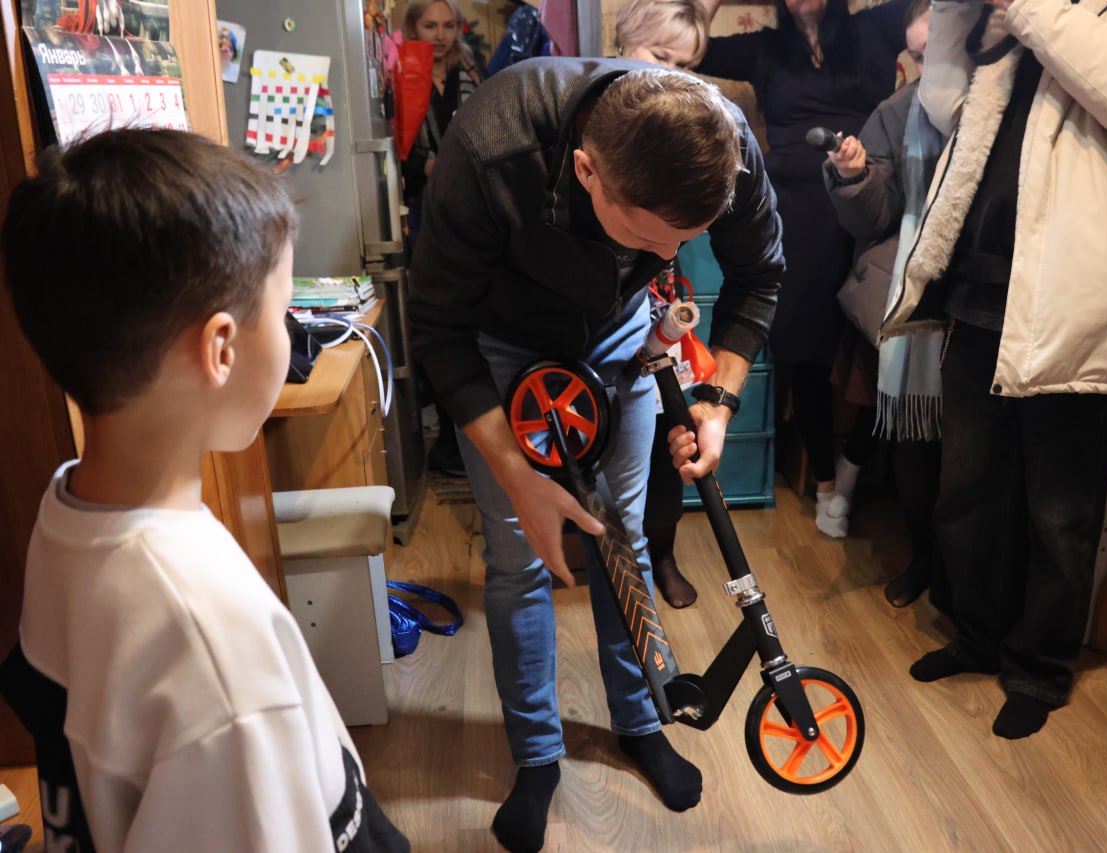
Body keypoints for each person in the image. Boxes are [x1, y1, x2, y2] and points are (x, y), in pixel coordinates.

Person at [408, 60, 782, 852]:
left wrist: (719, 402)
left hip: (620, 333)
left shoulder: (724, 144)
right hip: (500, 343)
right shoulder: (490, 150)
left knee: (624, 537)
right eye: (651, 237)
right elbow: (437, 327)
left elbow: (760, 277)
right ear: (586, 171)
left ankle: (642, 720)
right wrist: (517, 473)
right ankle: (536, 754)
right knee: (519, 556)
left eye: (687, 238)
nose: (671, 252)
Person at [0, 129, 408, 851]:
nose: (293, 337)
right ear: (220, 348)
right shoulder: (217, 652)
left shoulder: (68, 516)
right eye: (284, 314)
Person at [883, 0, 1107, 739]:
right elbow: (947, 107)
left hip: (1078, 297)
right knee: (967, 486)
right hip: (981, 280)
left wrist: (1028, 7)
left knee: (1061, 505)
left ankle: (1039, 668)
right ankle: (976, 635)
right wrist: (956, 15)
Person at [696, 0, 912, 537]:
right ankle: (825, 481)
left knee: (888, 345)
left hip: (869, 203)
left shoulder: (874, 28)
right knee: (804, 348)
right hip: (794, 208)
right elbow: (689, 44)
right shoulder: (767, 48)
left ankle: (853, 463)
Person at [823, 0, 941, 607]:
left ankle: (962, 575)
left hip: (988, 296)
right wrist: (856, 177)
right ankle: (924, 557)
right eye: (916, 55)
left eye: (937, 50)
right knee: (914, 439)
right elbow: (873, 216)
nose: (926, 66)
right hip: (914, 294)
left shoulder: (1011, 107)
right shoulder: (897, 111)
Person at [615, 0, 711, 608]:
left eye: (686, 65)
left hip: (663, 314)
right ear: (623, 44)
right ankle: (613, 560)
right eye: (659, 55)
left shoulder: (683, 127)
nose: (671, 75)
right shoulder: (603, 125)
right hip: (604, 318)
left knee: (670, 439)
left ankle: (664, 556)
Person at [401, 0, 485, 478]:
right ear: (413, 28)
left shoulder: (469, 71)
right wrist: (434, 165)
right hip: (422, 212)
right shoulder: (402, 74)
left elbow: (486, 132)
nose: (440, 34)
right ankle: (450, 442)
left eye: (448, 25)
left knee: (470, 320)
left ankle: (468, 444)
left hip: (467, 210)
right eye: (429, 25)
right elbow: (402, 151)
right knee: (436, 321)